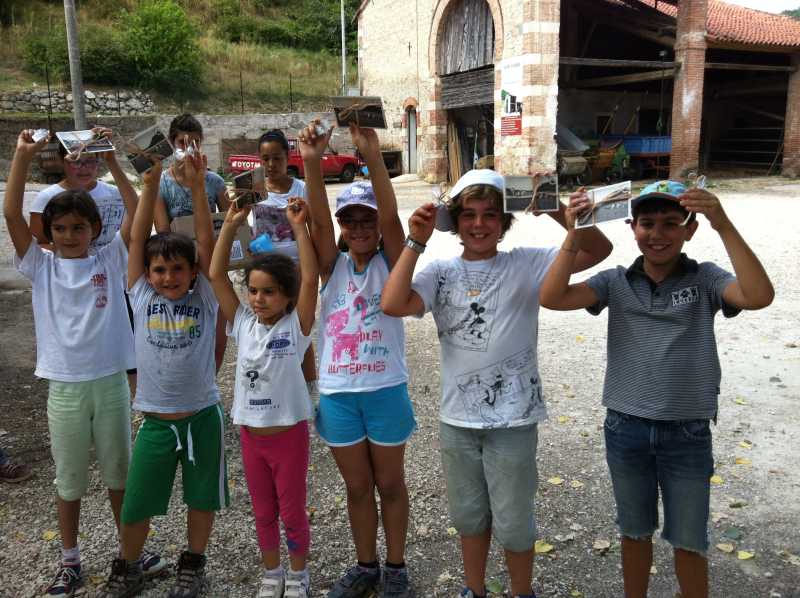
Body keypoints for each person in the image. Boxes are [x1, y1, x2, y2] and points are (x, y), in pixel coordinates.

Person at [380, 170, 612, 598]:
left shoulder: (526, 263)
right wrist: (415, 241)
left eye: (490, 214)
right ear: (456, 221)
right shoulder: (440, 271)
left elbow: (599, 249)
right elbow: (393, 303)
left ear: (504, 221)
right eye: (468, 214)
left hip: (514, 420)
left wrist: (556, 208)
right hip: (457, 420)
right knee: (469, 517)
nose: (479, 224)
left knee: (515, 520)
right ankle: (475, 589)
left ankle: (522, 592)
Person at [539, 181, 774, 598]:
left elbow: (758, 295)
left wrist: (723, 222)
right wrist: (574, 232)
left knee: (689, 539)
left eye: (670, 223)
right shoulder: (616, 281)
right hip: (626, 427)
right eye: (647, 223)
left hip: (687, 432)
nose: (657, 233)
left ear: (690, 229)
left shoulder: (705, 278)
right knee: (633, 532)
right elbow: (552, 297)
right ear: (632, 228)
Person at [4, 130, 163, 598]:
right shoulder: (40, 266)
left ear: (95, 229)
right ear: (49, 233)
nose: (69, 236)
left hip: (111, 382)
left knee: (119, 475)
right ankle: (70, 560)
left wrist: (112, 162)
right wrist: (22, 158)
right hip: (65, 387)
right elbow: (11, 214)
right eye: (60, 229)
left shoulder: (111, 259)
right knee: (69, 481)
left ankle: (130, 553)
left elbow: (137, 216)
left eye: (78, 228)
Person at [98, 153, 229, 598]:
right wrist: (150, 184)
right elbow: (137, 238)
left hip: (202, 418)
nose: (168, 276)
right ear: (147, 274)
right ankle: (128, 565)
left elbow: (206, 242)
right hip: (155, 421)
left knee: (202, 499)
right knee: (136, 503)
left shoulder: (205, 296)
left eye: (178, 269)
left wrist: (198, 188)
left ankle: (193, 566)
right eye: (159, 269)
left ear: (194, 273)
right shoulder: (140, 294)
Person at [299, 122, 416, 598]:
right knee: (357, 487)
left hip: (386, 389)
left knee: (391, 484)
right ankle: (366, 564)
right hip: (339, 394)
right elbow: (318, 224)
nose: (361, 228)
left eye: (367, 220)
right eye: (351, 221)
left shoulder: (393, 260)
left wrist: (372, 156)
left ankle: (396, 566)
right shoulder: (332, 266)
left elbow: (392, 220)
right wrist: (311, 162)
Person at [209, 197, 319, 598]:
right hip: (251, 437)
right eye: (253, 291)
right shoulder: (242, 323)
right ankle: (272, 574)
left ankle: (298, 575)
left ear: (287, 296)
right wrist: (230, 224)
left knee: (291, 512)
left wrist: (299, 227)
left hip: (288, 437)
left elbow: (310, 278)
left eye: (269, 292)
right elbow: (216, 274)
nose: (258, 299)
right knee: (262, 511)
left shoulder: (296, 326)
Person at [28, 126, 140, 395]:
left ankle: (133, 400)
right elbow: (38, 241)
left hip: (110, 274)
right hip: (69, 278)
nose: (83, 167)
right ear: (62, 161)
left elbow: (134, 215)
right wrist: (70, 259)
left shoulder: (112, 193)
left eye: (91, 160)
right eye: (75, 161)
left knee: (126, 345)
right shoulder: (46, 197)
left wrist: (112, 158)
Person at [153, 113, 230, 372]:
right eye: (183, 143)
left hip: (212, 265)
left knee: (218, 323)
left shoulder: (215, 181)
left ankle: (211, 378)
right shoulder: (162, 184)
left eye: (195, 142)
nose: (189, 148)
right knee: (187, 329)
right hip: (178, 268)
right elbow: (162, 230)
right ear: (172, 143)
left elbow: (232, 223)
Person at [251, 129, 318, 397]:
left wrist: (306, 266)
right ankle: (272, 383)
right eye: (265, 159)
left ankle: (309, 387)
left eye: (277, 158)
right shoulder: (253, 188)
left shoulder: (301, 189)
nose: (271, 165)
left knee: (300, 326)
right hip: (263, 269)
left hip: (297, 267)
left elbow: (313, 227)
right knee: (268, 325)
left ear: (288, 158)